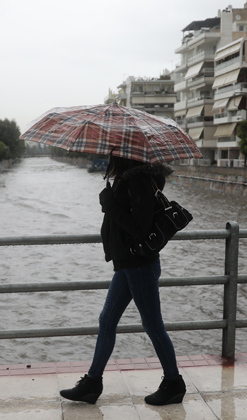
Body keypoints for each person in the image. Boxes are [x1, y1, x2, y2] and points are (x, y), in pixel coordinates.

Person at [60, 155, 186, 406]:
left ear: (124, 153)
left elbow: (139, 228)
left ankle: (174, 383)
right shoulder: (126, 179)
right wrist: (112, 201)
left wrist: (109, 205)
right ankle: (92, 383)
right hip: (128, 266)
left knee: (153, 325)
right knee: (107, 320)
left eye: (112, 150)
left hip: (140, 266)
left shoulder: (138, 180)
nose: (108, 153)